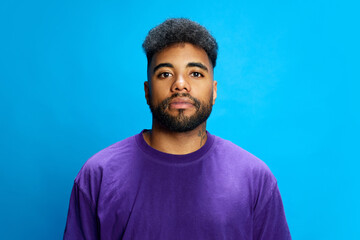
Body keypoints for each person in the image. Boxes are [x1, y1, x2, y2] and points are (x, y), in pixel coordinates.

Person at [63, 18, 291, 240]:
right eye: (165, 74)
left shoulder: (255, 178)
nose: (180, 84)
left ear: (214, 91)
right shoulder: (98, 176)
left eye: (195, 73)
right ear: (147, 91)